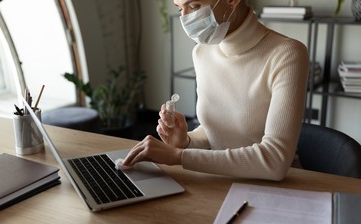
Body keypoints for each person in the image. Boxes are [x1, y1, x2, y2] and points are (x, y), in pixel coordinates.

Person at [121, 0, 309, 181]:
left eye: (194, 6)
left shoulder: (287, 54)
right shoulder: (201, 53)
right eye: (180, 9)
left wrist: (179, 156)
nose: (185, 19)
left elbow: (275, 160)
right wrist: (186, 142)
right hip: (221, 181)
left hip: (277, 190)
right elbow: (218, 133)